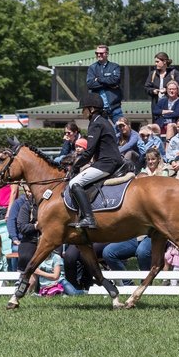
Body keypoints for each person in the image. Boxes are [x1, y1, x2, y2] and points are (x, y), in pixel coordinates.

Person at [67, 91, 124, 230]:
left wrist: (75, 166)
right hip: (109, 161)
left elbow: (88, 152)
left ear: (91, 109)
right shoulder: (102, 121)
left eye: (84, 109)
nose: (82, 112)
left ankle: (88, 218)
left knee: (74, 183)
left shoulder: (96, 123)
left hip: (106, 163)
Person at [85, 44, 123, 122]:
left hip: (114, 106)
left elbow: (115, 80)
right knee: (101, 131)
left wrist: (98, 79)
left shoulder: (115, 67)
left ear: (107, 54)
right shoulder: (92, 68)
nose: (99, 55)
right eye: (97, 53)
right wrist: (109, 84)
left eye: (101, 53)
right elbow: (90, 84)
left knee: (120, 129)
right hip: (98, 108)